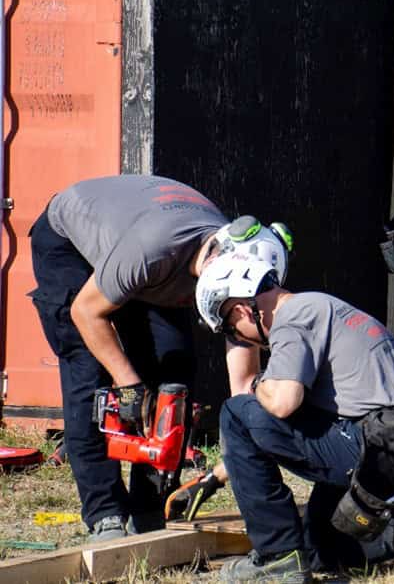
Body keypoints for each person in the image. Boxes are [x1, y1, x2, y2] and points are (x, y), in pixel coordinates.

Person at [27, 176, 280, 540]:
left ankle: (150, 508)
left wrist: (249, 430)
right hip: (70, 242)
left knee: (174, 372)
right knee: (90, 372)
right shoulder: (152, 251)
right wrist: (129, 385)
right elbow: (86, 312)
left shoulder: (237, 266)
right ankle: (105, 513)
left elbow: (242, 381)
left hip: (149, 253)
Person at [196, 252, 394, 583]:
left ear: (243, 310)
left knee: (236, 413)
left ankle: (276, 557)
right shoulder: (325, 308)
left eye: (232, 329)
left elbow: (284, 403)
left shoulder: (291, 318)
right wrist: (213, 477)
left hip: (374, 443)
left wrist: (256, 385)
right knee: (319, 547)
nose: (240, 339)